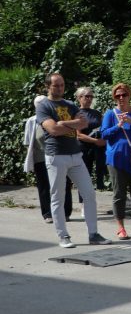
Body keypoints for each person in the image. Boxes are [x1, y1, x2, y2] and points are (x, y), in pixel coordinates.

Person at [35, 73, 110, 247]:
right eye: (56, 85)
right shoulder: (43, 106)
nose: (60, 88)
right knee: (58, 197)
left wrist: (63, 124)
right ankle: (63, 236)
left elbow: (83, 124)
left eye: (62, 85)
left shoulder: (69, 104)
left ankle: (93, 234)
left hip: (76, 155)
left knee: (89, 194)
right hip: (56, 156)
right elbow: (53, 130)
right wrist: (68, 124)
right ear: (48, 86)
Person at [101, 83, 131, 239]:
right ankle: (121, 228)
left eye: (124, 94)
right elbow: (104, 134)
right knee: (119, 194)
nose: (121, 98)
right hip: (116, 160)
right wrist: (118, 126)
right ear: (114, 97)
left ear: (129, 95)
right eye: (118, 95)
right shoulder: (110, 114)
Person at [24, 95, 71, 224]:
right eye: (38, 104)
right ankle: (47, 214)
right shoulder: (32, 121)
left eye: (44, 103)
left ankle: (65, 212)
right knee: (44, 186)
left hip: (59, 155)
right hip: (40, 158)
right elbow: (28, 142)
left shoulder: (57, 118)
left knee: (63, 185)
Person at [74, 86, 107, 192]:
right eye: (87, 96)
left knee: (100, 174)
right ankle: (83, 200)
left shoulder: (96, 113)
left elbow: (103, 129)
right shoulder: (77, 113)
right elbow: (78, 135)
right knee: (84, 177)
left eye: (91, 97)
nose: (89, 99)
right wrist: (95, 141)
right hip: (83, 149)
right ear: (79, 97)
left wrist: (103, 140)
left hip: (98, 149)